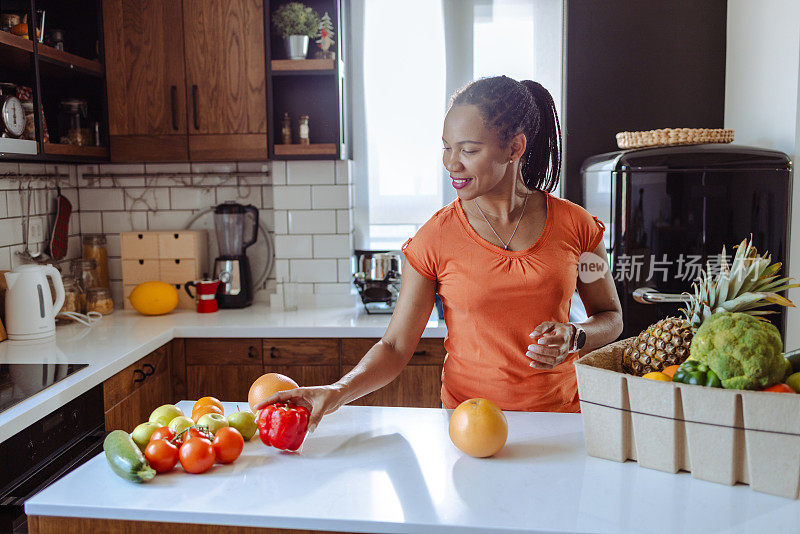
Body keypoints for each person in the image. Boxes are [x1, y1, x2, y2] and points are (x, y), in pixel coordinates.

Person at [256, 75, 623, 432]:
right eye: (447, 147)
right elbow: (396, 345)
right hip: (468, 424)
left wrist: (576, 335)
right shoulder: (435, 236)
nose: (452, 163)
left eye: (469, 150)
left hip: (559, 421)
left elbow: (611, 317)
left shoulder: (577, 226)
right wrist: (337, 392)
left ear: (514, 147)